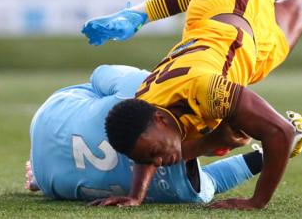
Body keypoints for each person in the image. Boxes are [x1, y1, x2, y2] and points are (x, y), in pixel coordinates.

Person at [82, 0, 302, 210]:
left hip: (237, 1)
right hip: (228, 41)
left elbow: (280, 130)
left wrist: (256, 202)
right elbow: (144, 151)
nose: (157, 163)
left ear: (160, 119)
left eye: (152, 154)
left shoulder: (208, 90)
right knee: (226, 133)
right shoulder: (145, 107)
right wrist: (136, 196)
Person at [28, 64, 266, 203]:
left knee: (103, 93)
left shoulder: (139, 91)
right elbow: (217, 178)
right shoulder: (184, 193)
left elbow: (100, 73)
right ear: (219, 149)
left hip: (52, 115)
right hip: (50, 179)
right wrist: (264, 159)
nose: (159, 161)